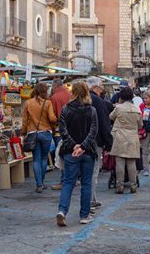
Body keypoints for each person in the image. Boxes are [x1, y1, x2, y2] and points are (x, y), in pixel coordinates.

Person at [56, 82, 98, 227]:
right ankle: (84, 215)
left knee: (68, 182)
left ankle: (62, 211)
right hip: (87, 152)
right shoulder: (92, 110)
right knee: (86, 183)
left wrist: (74, 145)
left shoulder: (66, 109)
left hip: (69, 151)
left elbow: (63, 130)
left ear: (73, 92)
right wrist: (83, 146)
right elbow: (93, 131)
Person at [22, 83, 57, 193]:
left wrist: (23, 133)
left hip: (33, 133)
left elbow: (24, 121)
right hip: (46, 133)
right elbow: (52, 118)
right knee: (43, 158)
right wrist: (55, 119)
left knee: (36, 159)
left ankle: (39, 184)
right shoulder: (48, 103)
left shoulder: (28, 103)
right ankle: (42, 182)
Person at [86, 76, 113, 209]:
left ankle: (91, 198)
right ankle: (90, 200)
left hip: (79, 142)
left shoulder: (78, 100)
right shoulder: (97, 101)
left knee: (84, 172)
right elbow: (104, 123)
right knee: (93, 171)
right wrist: (108, 143)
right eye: (101, 88)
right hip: (95, 141)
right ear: (95, 87)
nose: (102, 91)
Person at [109, 87, 142, 194]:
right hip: (132, 136)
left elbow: (111, 117)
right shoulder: (137, 109)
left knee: (120, 162)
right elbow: (140, 125)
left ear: (121, 97)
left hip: (120, 135)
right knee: (131, 162)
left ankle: (120, 186)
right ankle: (133, 185)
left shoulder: (119, 108)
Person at [50, 79, 71, 191]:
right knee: (71, 154)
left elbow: (52, 116)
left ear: (54, 87)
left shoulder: (54, 97)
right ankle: (73, 178)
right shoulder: (69, 94)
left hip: (60, 130)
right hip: (72, 129)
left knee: (61, 155)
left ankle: (64, 181)